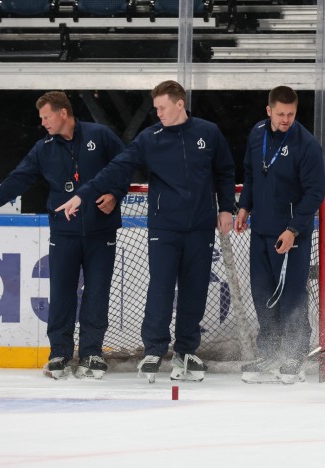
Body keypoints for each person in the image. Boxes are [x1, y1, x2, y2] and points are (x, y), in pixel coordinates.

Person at [56, 80, 236, 383]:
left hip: (200, 227)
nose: (158, 113)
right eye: (156, 108)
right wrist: (81, 195)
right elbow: (114, 169)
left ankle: (187, 350)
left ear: (179, 104)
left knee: (195, 289)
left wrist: (226, 207)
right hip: (164, 227)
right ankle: (154, 349)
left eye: (162, 108)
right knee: (161, 287)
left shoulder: (208, 132)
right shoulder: (150, 138)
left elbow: (225, 171)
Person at [0, 91, 127, 380]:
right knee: (61, 293)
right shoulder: (43, 148)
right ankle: (59, 353)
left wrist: (115, 193)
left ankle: (92, 353)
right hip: (63, 232)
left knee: (97, 293)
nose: (43, 122)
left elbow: (125, 165)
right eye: (41, 118)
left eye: (46, 116)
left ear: (63, 113)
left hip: (102, 231)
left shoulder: (100, 135)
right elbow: (17, 180)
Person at [234, 86, 325, 384]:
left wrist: (293, 229)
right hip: (260, 230)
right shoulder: (257, 133)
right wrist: (245, 206)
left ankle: (295, 355)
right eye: (281, 113)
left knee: (291, 296)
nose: (286, 119)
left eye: (291, 114)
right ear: (269, 111)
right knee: (262, 293)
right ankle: (270, 353)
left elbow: (314, 193)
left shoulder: (306, 144)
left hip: (291, 235)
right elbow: (250, 173)